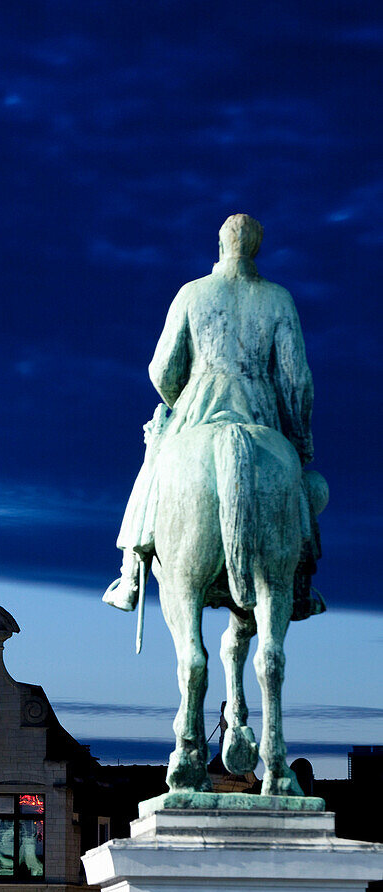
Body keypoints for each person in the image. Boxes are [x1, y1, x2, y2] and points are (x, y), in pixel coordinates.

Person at [104, 213, 326, 620]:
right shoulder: (278, 298)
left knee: (152, 469)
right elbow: (297, 381)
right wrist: (299, 440)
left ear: (221, 246)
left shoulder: (192, 293)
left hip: (197, 406)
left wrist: (183, 400)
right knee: (297, 486)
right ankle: (299, 588)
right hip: (261, 413)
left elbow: (161, 369)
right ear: (256, 249)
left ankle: (130, 579)